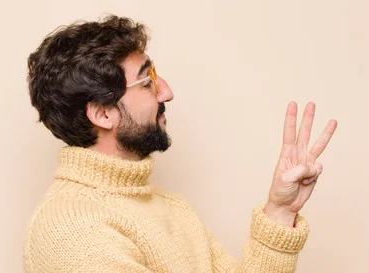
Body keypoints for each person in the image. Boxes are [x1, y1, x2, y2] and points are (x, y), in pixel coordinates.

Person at [23, 14, 337, 273]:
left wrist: (280, 210)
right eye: (147, 83)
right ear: (104, 114)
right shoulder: (71, 230)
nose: (166, 92)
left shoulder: (172, 207)